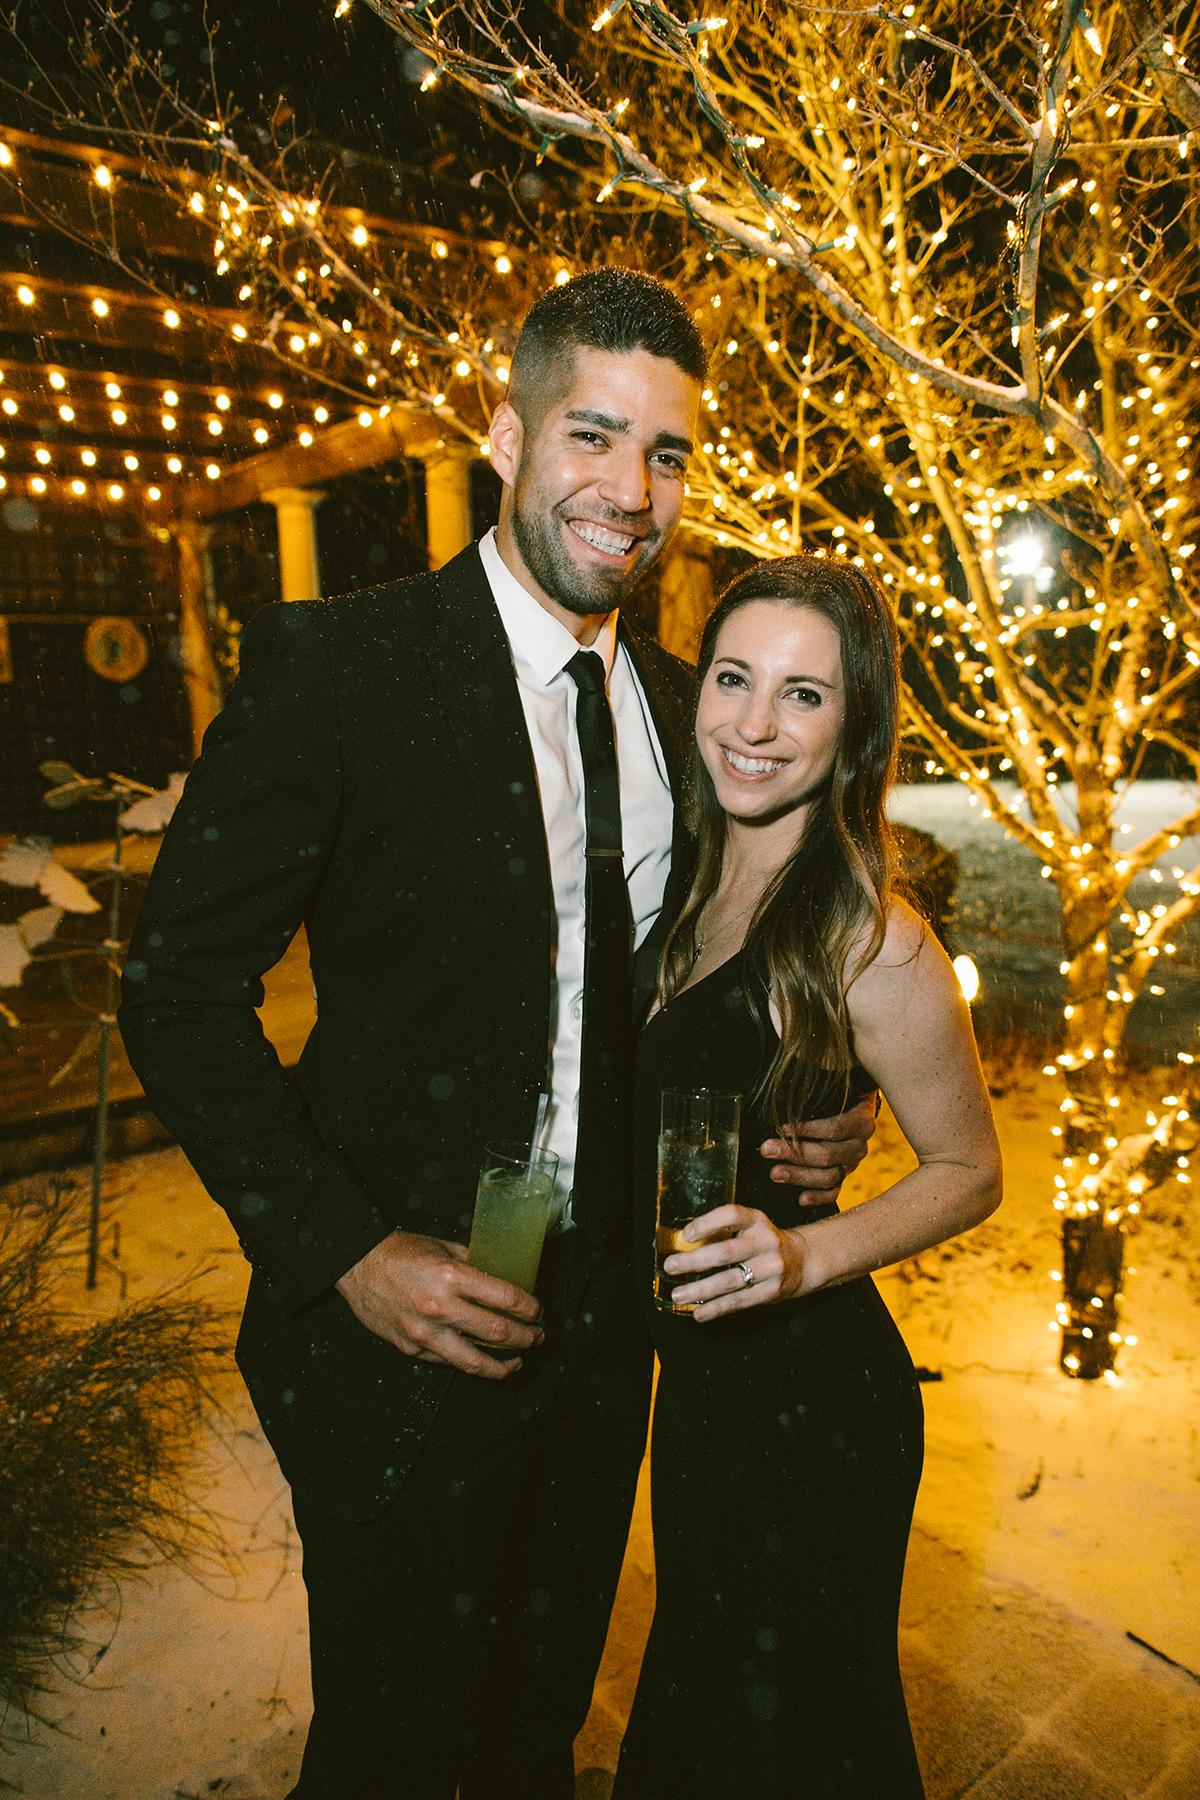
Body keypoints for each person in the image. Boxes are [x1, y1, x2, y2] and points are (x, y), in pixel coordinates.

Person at [117, 271, 875, 1800]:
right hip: (400, 1322)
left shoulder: (685, 707)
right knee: (396, 1748)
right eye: (595, 435)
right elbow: (177, 992)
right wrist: (346, 1248)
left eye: (667, 452)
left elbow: (707, 976)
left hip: (604, 1331)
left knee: (536, 1725)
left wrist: (825, 1095)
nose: (633, 488)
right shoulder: (342, 668)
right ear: (507, 433)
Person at [614, 557, 1003, 1799]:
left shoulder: (867, 934)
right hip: (708, 1390)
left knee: (801, 1732)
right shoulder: (682, 877)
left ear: (854, 732)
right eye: (734, 680)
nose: (755, 725)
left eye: (804, 696)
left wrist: (803, 1253)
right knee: (708, 1698)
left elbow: (969, 1168)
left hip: (814, 1404)